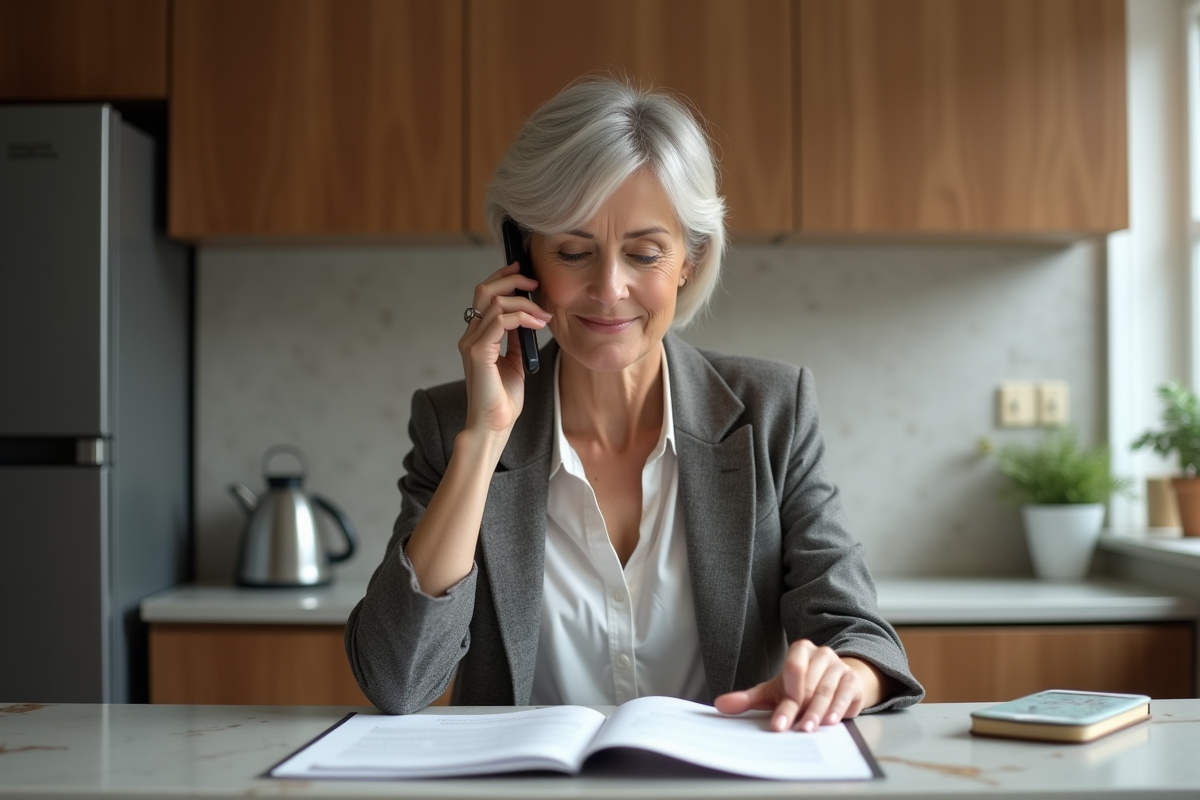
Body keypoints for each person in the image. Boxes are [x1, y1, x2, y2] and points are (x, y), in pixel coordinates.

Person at [345, 77, 924, 732]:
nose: (609, 288)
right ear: (522, 259)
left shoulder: (772, 410)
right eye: (573, 252)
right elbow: (396, 679)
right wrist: (483, 440)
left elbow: (859, 635)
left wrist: (845, 675)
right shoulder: (452, 423)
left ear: (689, 260)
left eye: (644, 254)